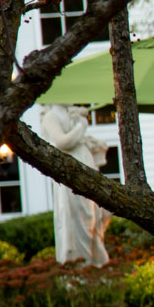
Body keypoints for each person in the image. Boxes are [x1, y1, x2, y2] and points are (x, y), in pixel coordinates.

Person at [40, 103, 112, 266]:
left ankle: (91, 264)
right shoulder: (51, 116)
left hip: (84, 180)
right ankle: (80, 266)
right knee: (77, 224)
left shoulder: (68, 114)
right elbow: (62, 142)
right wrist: (81, 126)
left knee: (91, 220)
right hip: (70, 181)